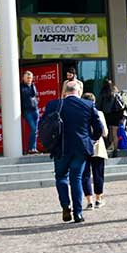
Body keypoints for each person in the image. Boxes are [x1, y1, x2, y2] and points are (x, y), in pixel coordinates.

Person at [42, 79, 104, 223]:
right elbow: (99, 128)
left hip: (60, 148)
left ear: (65, 92)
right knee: (76, 178)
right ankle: (78, 213)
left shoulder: (54, 105)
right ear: (79, 91)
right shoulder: (88, 105)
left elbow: (43, 125)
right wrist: (92, 140)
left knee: (61, 177)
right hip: (80, 148)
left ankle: (65, 206)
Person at [81, 92, 109, 209]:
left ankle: (89, 200)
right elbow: (105, 132)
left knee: (85, 174)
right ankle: (98, 199)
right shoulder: (99, 113)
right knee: (98, 174)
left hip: (84, 146)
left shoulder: (80, 114)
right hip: (97, 147)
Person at [20, 71, 40, 154]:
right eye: (28, 78)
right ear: (23, 78)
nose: (29, 79)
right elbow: (25, 95)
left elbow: (34, 94)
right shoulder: (20, 87)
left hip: (35, 109)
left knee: (35, 130)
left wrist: (32, 85)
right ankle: (31, 148)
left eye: (31, 78)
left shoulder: (32, 85)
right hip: (27, 110)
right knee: (33, 128)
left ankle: (33, 148)